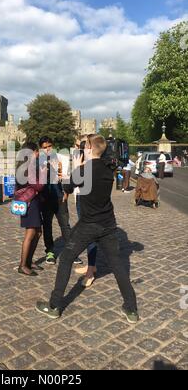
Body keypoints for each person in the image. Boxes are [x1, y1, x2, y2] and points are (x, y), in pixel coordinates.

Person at [36, 134, 139, 324]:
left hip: (89, 224)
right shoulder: (109, 168)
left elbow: (67, 186)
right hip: (108, 223)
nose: (83, 149)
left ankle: (54, 306)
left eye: (85, 146)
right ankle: (131, 309)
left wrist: (76, 166)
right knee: (118, 264)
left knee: (66, 258)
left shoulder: (84, 170)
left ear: (90, 149)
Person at [39, 136, 82, 266]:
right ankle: (50, 252)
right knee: (47, 225)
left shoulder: (61, 159)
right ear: (41, 148)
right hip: (45, 198)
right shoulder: (38, 161)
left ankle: (71, 253)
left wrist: (66, 194)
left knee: (65, 225)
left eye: (49, 146)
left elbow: (68, 178)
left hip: (60, 197)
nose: (47, 149)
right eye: (44, 147)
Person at [15, 142, 46, 277]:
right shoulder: (28, 167)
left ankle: (28, 261)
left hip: (32, 201)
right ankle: (23, 265)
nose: (38, 153)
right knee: (31, 233)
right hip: (30, 202)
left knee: (38, 232)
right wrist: (44, 173)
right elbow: (38, 186)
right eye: (36, 151)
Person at [74, 136, 98, 287]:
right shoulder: (84, 161)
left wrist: (79, 168)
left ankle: (91, 271)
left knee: (90, 235)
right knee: (87, 235)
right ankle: (91, 265)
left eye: (83, 144)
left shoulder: (93, 165)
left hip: (89, 202)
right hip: (80, 198)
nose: (79, 147)